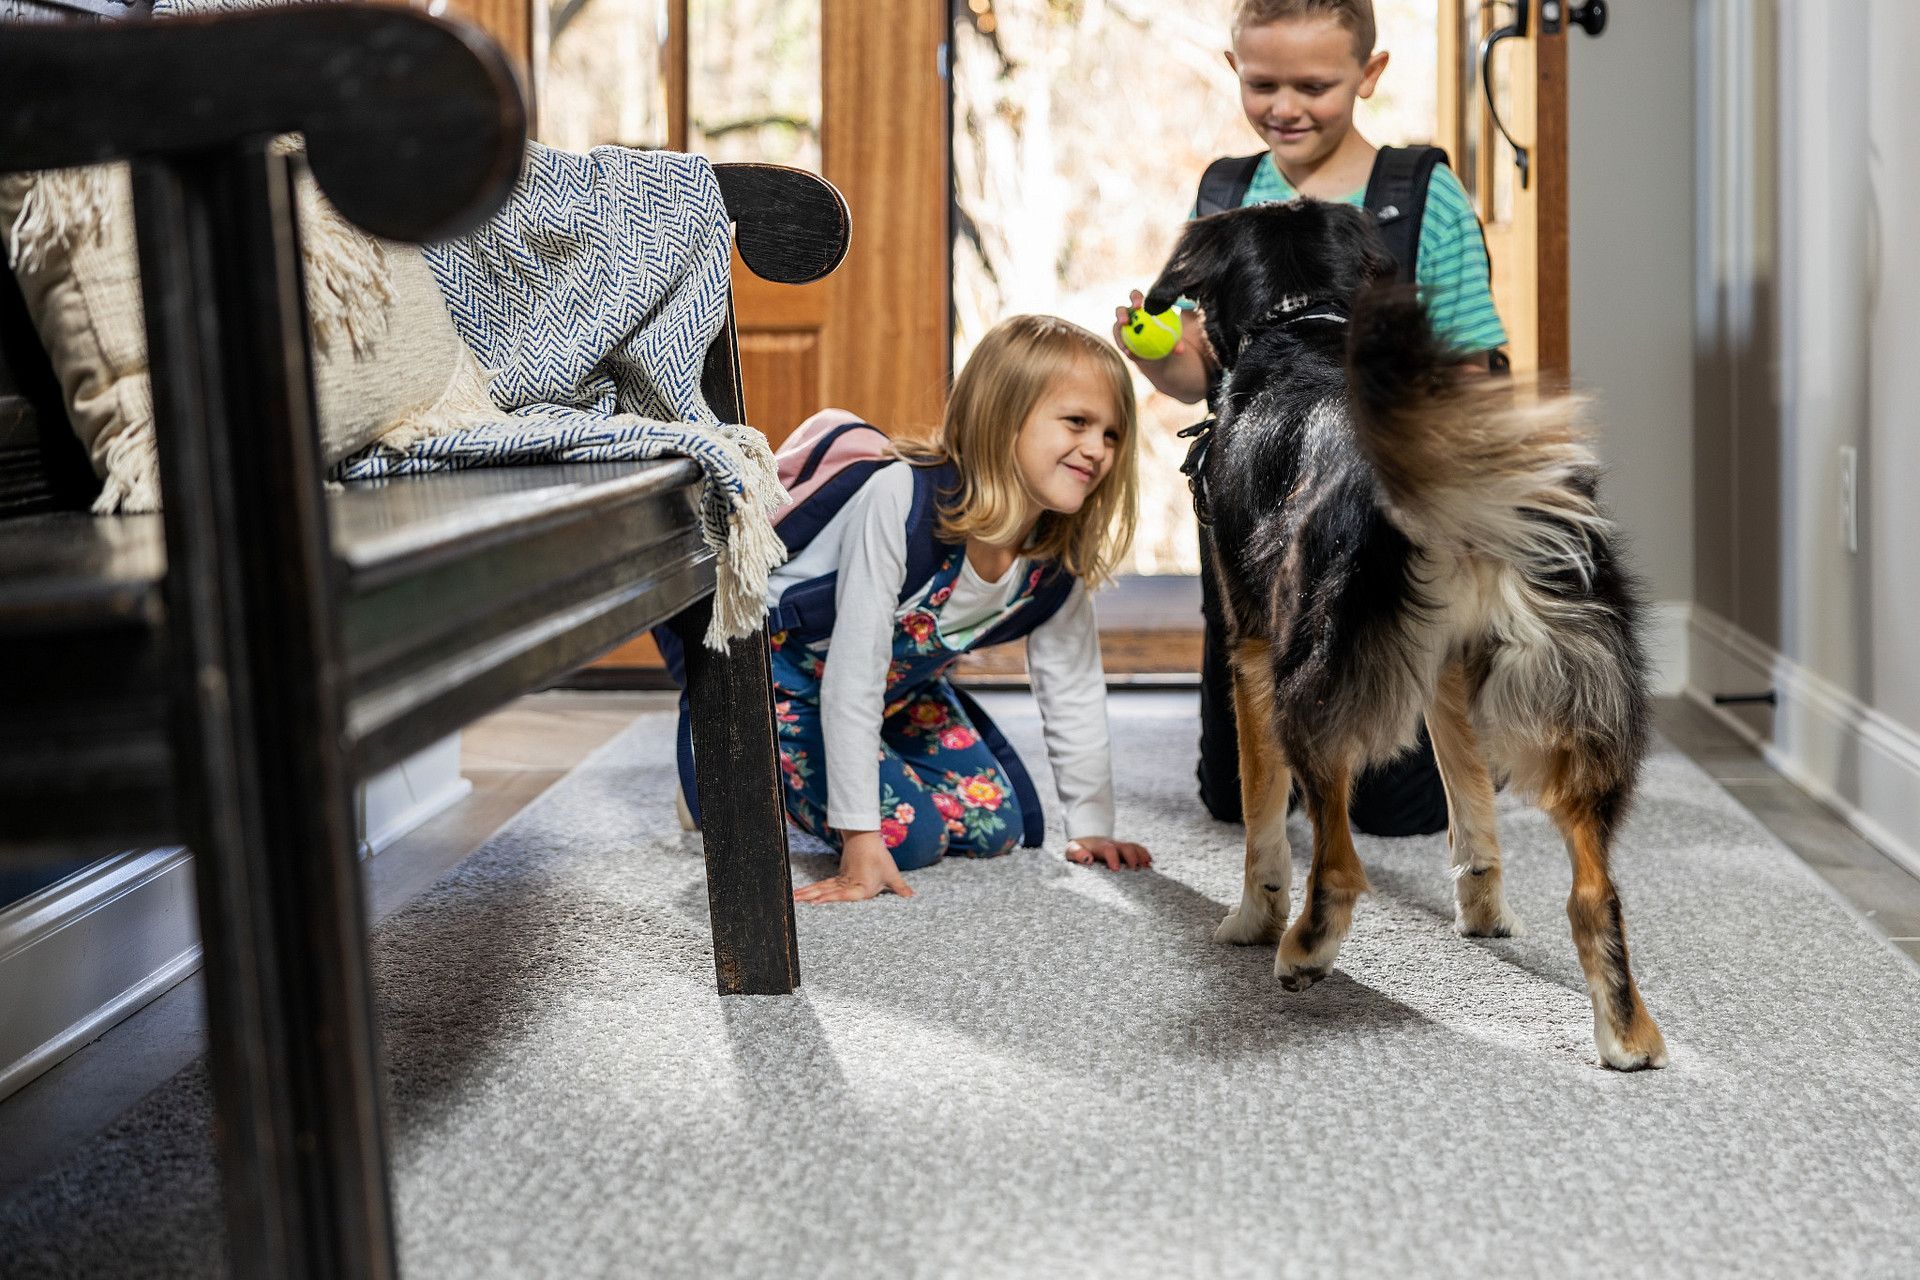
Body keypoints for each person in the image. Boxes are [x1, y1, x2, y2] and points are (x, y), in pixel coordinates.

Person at [1114, 0, 1508, 835]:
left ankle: (1467, 720)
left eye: (1314, 84)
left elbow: (1473, 362)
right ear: (1233, 71)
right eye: (1263, 83)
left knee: (1398, 812)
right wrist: (1157, 355)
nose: (1285, 105)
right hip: (1254, 512)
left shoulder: (1417, 196)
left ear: (1369, 75)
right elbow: (1198, 373)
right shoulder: (1227, 194)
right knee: (1236, 797)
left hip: (1381, 513)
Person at [770, 315, 1153, 903]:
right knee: (911, 837)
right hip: (785, 684)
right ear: (1000, 419)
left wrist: (1092, 827)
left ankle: (870, 770)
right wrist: (859, 834)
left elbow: (1072, 688)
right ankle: (715, 774)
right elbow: (855, 669)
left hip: (896, 692)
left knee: (994, 827)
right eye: (1077, 421)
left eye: (1111, 434)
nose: (1097, 449)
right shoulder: (901, 495)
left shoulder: (1054, 558)